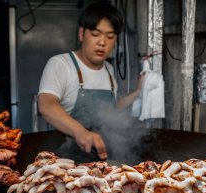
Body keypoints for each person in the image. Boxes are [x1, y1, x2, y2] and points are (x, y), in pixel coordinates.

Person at [38, 0, 145, 160]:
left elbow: (110, 109)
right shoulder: (61, 64)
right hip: (67, 161)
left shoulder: (109, 70)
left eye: (110, 36)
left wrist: (137, 92)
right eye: (95, 34)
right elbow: (46, 105)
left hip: (101, 158)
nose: (102, 42)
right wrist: (80, 131)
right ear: (82, 34)